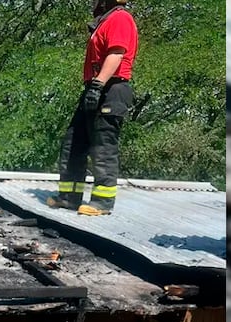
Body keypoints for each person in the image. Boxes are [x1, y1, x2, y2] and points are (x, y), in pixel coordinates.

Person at [46, 0, 137, 216]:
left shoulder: (120, 18)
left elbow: (116, 53)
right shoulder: (105, 19)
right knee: (73, 142)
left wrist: (98, 85)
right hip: (96, 87)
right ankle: (69, 197)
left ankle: (102, 203)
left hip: (111, 88)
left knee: (103, 146)